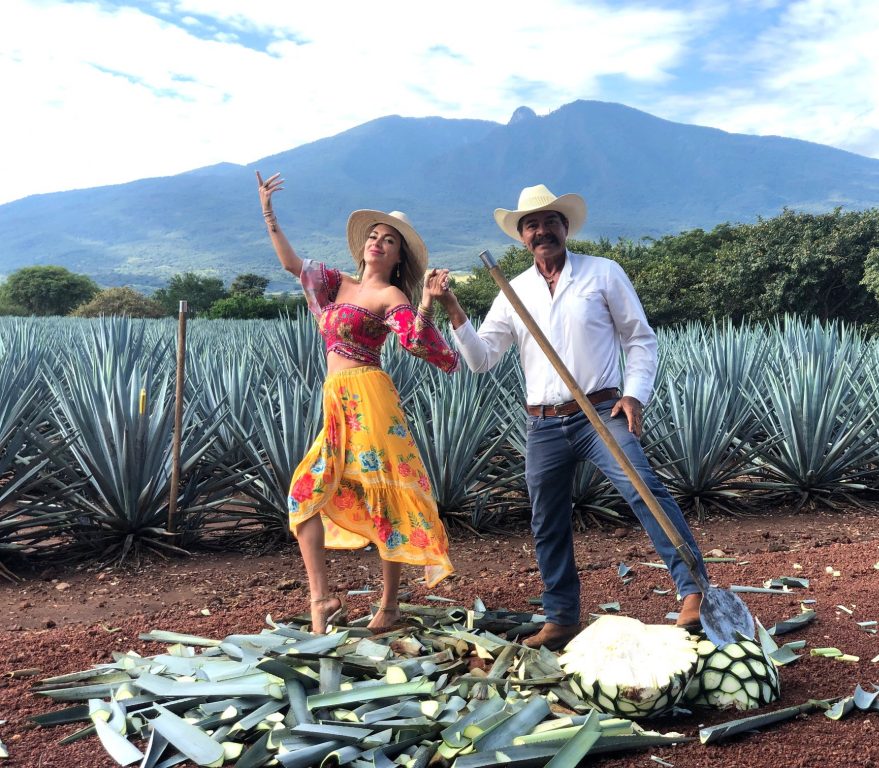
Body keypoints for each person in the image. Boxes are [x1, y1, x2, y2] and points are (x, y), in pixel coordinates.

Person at [426, 184, 708, 650]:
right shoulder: (513, 291)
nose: (541, 231)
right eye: (531, 225)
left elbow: (640, 338)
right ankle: (561, 617)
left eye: (549, 222)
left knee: (643, 490)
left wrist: (635, 395)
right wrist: (453, 309)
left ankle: (694, 590)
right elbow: (481, 359)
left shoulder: (603, 273)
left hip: (600, 410)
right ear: (522, 237)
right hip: (543, 423)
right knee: (546, 519)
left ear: (565, 227)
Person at [256, 170, 460, 634]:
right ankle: (321, 600)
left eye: (389, 240)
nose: (378, 242)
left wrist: (428, 305)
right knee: (304, 494)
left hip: (370, 398)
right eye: (374, 235)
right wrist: (268, 212)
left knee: (383, 494)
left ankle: (388, 607)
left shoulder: (390, 295)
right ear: (362, 245)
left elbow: (420, 344)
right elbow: (292, 265)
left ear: (397, 255)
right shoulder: (333, 283)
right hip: (336, 401)